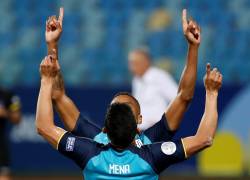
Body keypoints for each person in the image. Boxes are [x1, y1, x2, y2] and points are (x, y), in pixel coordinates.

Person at [36, 52, 222, 179]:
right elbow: (203, 135)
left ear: (105, 127)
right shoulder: (152, 154)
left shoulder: (89, 151)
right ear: (138, 123)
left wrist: (47, 72)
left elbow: (47, 120)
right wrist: (211, 93)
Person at [43, 8, 201, 146]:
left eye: (134, 62)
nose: (130, 66)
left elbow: (57, 98)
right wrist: (193, 47)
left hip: (149, 129)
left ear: (107, 123)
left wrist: (52, 46)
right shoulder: (151, 150)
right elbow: (184, 98)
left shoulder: (95, 146)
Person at [128, 47, 178, 130]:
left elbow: (178, 99)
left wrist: (163, 122)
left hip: (157, 131)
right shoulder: (136, 80)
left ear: (146, 62)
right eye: (131, 64)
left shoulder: (160, 77)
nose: (131, 68)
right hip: (140, 131)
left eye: (135, 63)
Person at [0, 88, 21, 180]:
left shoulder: (7, 95)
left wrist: (4, 112)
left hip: (1, 146)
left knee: (4, 176)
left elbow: (17, 118)